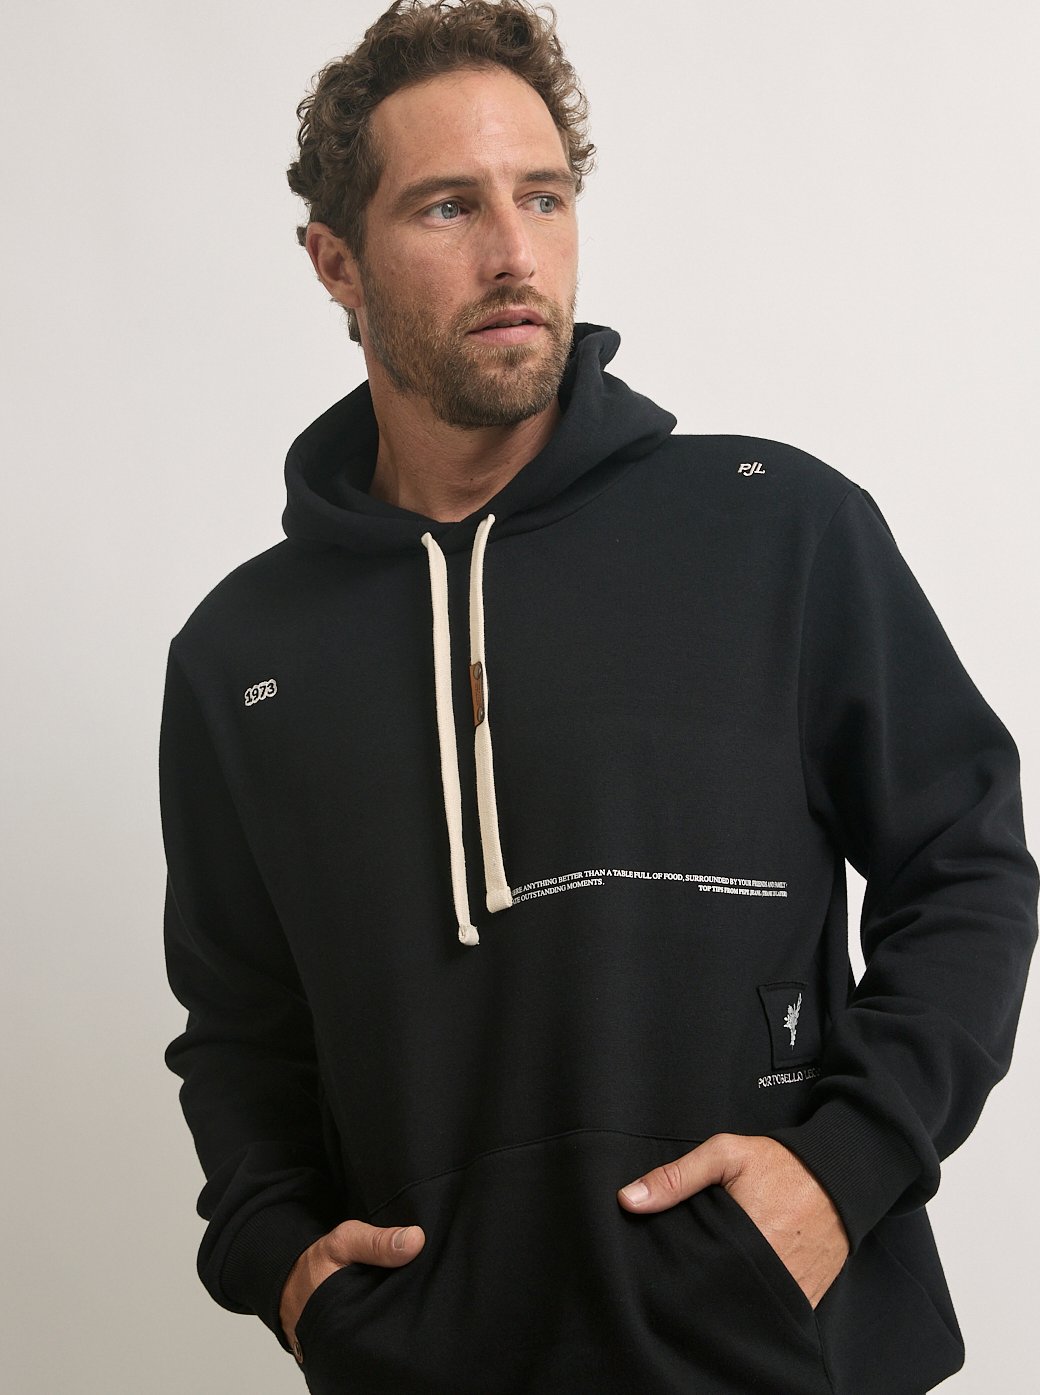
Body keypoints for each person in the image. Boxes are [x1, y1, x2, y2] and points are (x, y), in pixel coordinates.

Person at [158, 2, 1038, 1392]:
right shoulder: (240, 655)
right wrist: (280, 1263)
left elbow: (967, 863)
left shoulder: (776, 528)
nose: (515, 253)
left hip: (778, 1355)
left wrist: (843, 1169)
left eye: (545, 196)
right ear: (335, 261)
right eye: (449, 206)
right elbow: (239, 1030)